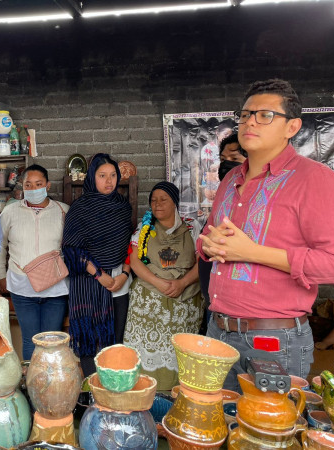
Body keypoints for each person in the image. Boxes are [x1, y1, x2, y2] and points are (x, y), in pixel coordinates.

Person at [198, 79, 334, 390]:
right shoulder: (230, 180)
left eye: (265, 115)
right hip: (217, 330)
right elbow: (208, 239)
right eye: (245, 115)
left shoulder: (314, 179)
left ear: (292, 127)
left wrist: (252, 253)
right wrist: (209, 246)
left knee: (269, 422)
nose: (250, 122)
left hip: (273, 339)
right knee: (218, 416)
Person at [124, 182, 201, 390]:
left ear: (175, 202)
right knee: (148, 351)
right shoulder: (144, 228)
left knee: (179, 351)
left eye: (163, 199)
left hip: (183, 299)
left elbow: (202, 262)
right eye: (153, 200)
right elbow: (134, 261)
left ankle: (175, 393)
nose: (157, 204)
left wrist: (182, 283)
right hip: (150, 299)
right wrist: (158, 282)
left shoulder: (192, 226)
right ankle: (146, 391)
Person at [63, 153, 132, 376]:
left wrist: (124, 274)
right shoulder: (80, 208)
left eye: (113, 175)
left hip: (119, 282)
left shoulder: (123, 206)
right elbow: (72, 249)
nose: (109, 181)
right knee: (90, 342)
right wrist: (99, 275)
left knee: (115, 341)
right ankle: (92, 389)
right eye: (102, 175)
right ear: (92, 177)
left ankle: (111, 388)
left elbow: (130, 244)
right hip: (89, 283)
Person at [0, 164, 70, 360]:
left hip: (55, 287)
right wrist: (1, 275)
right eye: (28, 184)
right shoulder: (10, 211)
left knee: (52, 340)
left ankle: (50, 378)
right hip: (22, 286)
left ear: (48, 185)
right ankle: (32, 379)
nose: (33, 189)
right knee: (30, 340)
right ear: (22, 186)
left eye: (38, 184)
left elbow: (72, 247)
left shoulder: (63, 211)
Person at [199, 134, 247, 336]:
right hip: (215, 301)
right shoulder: (223, 195)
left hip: (242, 310)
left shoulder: (254, 204)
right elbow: (205, 241)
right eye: (223, 160)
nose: (226, 165)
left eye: (234, 159)